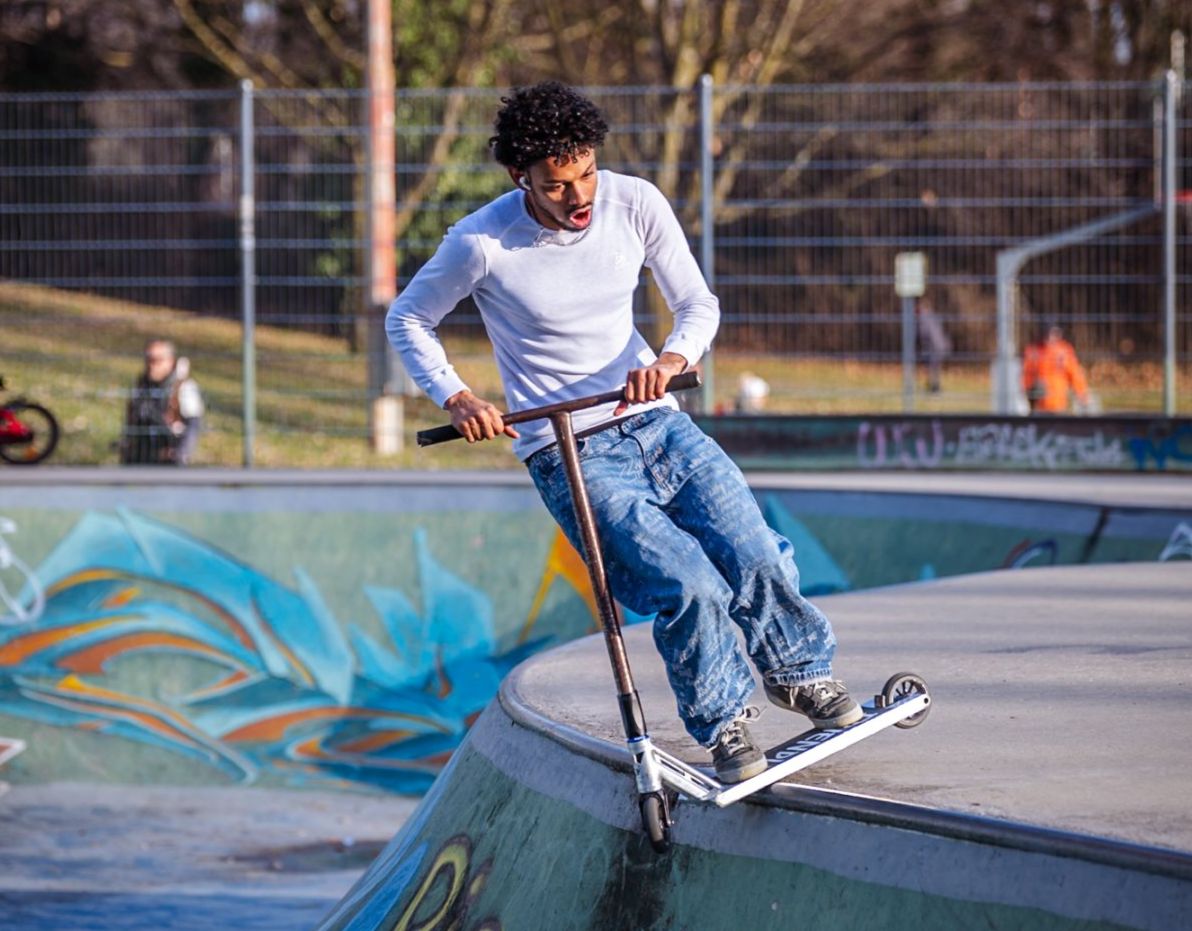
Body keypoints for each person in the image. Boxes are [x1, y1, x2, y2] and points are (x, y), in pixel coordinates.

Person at [387, 82, 861, 784]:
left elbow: (697, 301)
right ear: (522, 179)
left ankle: (797, 672)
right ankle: (725, 718)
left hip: (657, 421)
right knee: (686, 581)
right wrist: (456, 395)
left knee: (752, 545)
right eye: (556, 186)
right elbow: (407, 318)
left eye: (585, 174)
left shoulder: (633, 201)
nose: (578, 197)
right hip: (570, 451)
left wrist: (673, 358)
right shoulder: (482, 241)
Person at [119, 338, 204, 465]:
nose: (152, 364)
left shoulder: (184, 387)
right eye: (148, 359)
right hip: (138, 461)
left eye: (158, 360)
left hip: (167, 465)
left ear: (170, 361)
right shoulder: (141, 386)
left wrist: (179, 454)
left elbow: (193, 427)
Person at [1021, 322, 1090, 414]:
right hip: (1039, 407)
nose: (1050, 337)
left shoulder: (1064, 350)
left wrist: (1082, 395)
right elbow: (1027, 376)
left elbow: (1075, 374)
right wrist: (1028, 393)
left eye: (1053, 333)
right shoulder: (1033, 350)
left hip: (1059, 405)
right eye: (1047, 333)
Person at [916, 299, 951, 393]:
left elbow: (926, 334)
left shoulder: (924, 318)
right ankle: (934, 387)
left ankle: (933, 388)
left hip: (934, 347)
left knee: (931, 367)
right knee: (934, 368)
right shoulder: (933, 317)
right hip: (940, 345)